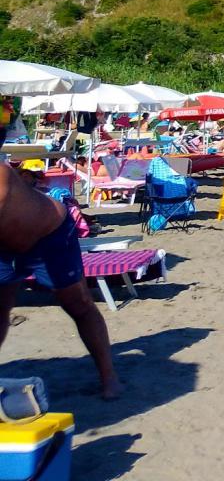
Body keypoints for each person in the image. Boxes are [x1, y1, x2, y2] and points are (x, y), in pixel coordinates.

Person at [0, 162, 122, 399]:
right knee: (0, 306)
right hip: (6, 247)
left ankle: (109, 377)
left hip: (49, 235)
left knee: (78, 305)